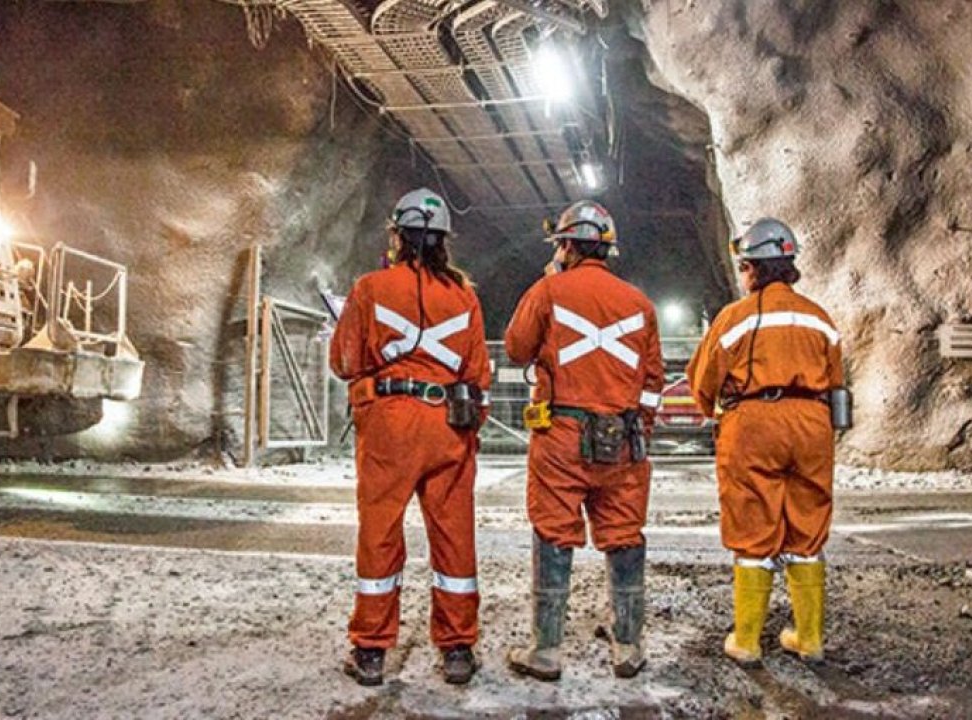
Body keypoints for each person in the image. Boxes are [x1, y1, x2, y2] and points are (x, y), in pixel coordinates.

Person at [329, 187, 491, 687]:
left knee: (379, 533)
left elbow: (344, 361)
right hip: (448, 424)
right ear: (444, 241)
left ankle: (371, 651)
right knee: (454, 536)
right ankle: (458, 649)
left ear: (397, 237)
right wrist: (468, 429)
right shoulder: (464, 296)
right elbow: (477, 374)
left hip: (390, 424)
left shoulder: (370, 288)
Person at [502, 200, 664, 680]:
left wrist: (549, 279)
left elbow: (516, 348)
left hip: (562, 437)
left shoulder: (549, 291)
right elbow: (653, 380)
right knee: (624, 533)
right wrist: (639, 431)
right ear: (607, 249)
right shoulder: (639, 304)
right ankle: (628, 644)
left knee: (554, 531)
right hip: (623, 438)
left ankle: (547, 650)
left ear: (567, 246)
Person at [686, 217, 843, 666]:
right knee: (807, 529)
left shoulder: (734, 318)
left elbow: (703, 382)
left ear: (751, 268)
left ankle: (748, 641)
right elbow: (836, 381)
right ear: (789, 266)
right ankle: (809, 639)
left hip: (754, 424)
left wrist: (714, 411)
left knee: (753, 531)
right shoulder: (819, 318)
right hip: (812, 423)